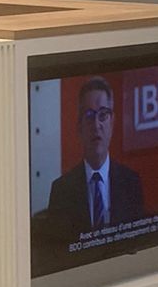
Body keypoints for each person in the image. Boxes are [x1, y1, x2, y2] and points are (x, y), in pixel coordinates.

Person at [46, 76, 144, 234]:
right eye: (89, 115)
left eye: (103, 115)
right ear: (79, 127)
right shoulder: (61, 191)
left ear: (112, 123)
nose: (96, 125)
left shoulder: (131, 183)